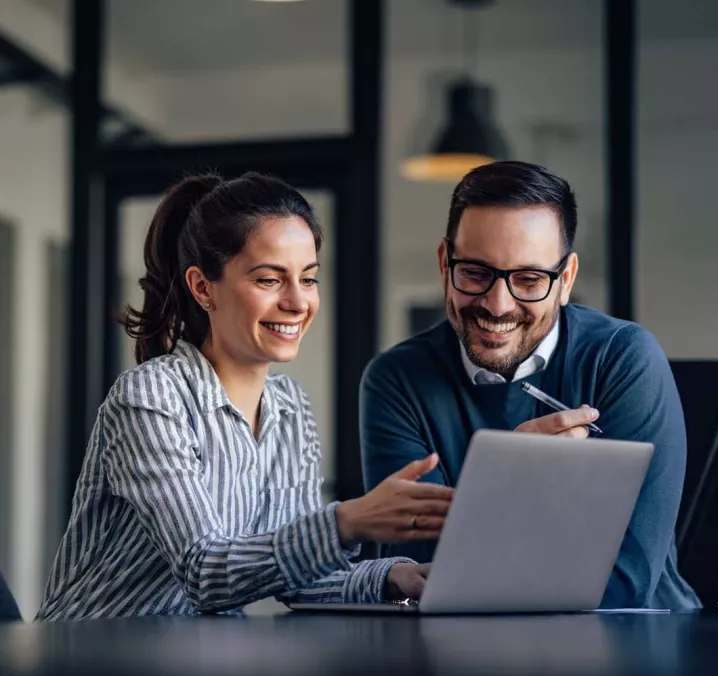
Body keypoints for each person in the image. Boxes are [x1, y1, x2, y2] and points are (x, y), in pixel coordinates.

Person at [39, 172, 453, 623]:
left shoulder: (290, 407)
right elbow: (205, 571)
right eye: (270, 280)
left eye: (309, 279)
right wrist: (347, 521)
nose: (299, 302)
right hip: (86, 666)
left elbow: (298, 574)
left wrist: (395, 576)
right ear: (202, 287)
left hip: (195, 666)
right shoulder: (150, 397)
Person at [361, 160, 699, 611]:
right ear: (446, 264)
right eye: (476, 273)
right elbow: (423, 574)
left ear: (566, 280)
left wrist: (487, 525)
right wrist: (510, 484)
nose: (498, 305)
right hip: (463, 654)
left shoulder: (624, 358)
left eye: (529, 279)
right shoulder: (396, 380)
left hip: (639, 642)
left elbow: (627, 576)